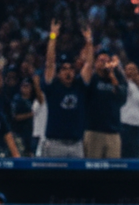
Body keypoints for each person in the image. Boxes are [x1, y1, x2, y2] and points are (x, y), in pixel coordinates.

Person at [40, 20, 88, 158]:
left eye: (71, 69)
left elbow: (89, 65)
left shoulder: (79, 86)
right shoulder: (53, 86)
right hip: (55, 142)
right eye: (64, 69)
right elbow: (50, 63)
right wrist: (53, 37)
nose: (68, 72)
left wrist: (89, 41)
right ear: (59, 73)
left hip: (76, 143)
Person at [82, 44, 128, 159]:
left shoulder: (118, 78)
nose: (104, 63)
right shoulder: (92, 79)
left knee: (114, 167)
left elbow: (122, 98)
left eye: (107, 61)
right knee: (92, 165)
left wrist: (113, 75)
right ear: (96, 62)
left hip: (113, 131)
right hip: (93, 130)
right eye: (101, 60)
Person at [119, 62, 139, 158]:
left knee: (135, 157)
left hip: (137, 128)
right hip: (125, 126)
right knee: (124, 156)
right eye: (129, 69)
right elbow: (120, 73)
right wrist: (117, 64)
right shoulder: (124, 84)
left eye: (134, 69)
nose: (131, 71)